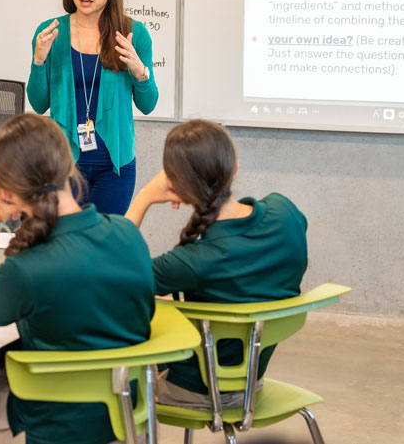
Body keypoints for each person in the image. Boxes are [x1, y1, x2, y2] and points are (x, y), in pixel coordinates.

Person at [0, 113, 155, 444]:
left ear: (7, 191)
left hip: (49, 431)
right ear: (69, 165)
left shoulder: (27, 268)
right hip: (124, 420)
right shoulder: (128, 233)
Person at [125, 119, 308, 409]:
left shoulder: (193, 261)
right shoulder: (285, 213)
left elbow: (110, 272)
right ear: (235, 165)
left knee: (110, 377)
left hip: (197, 390)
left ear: (174, 184)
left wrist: (144, 197)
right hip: (251, 382)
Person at [27, 0, 158, 216]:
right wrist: (38, 61)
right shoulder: (51, 32)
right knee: (65, 246)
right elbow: (39, 104)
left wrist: (138, 70)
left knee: (102, 246)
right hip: (63, 166)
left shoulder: (134, 34)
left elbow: (148, 105)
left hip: (115, 167)